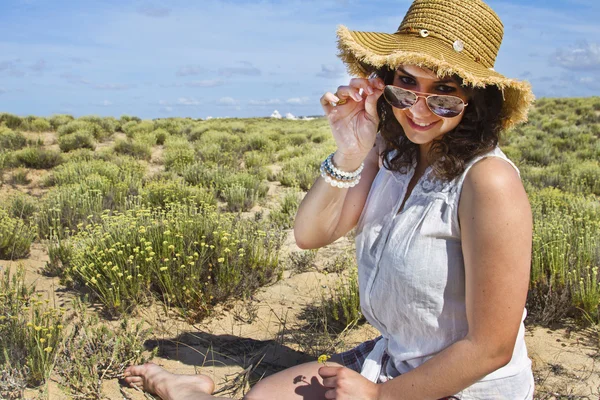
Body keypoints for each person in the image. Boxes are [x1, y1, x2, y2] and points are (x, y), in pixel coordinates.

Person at [123, 0, 535, 398]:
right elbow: (310, 234)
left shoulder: (488, 182)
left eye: (444, 94)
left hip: (466, 386)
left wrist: (378, 397)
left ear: (476, 101)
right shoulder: (392, 156)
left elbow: (490, 348)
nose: (418, 109)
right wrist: (350, 151)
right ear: (385, 81)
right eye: (406, 84)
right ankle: (189, 389)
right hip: (394, 359)